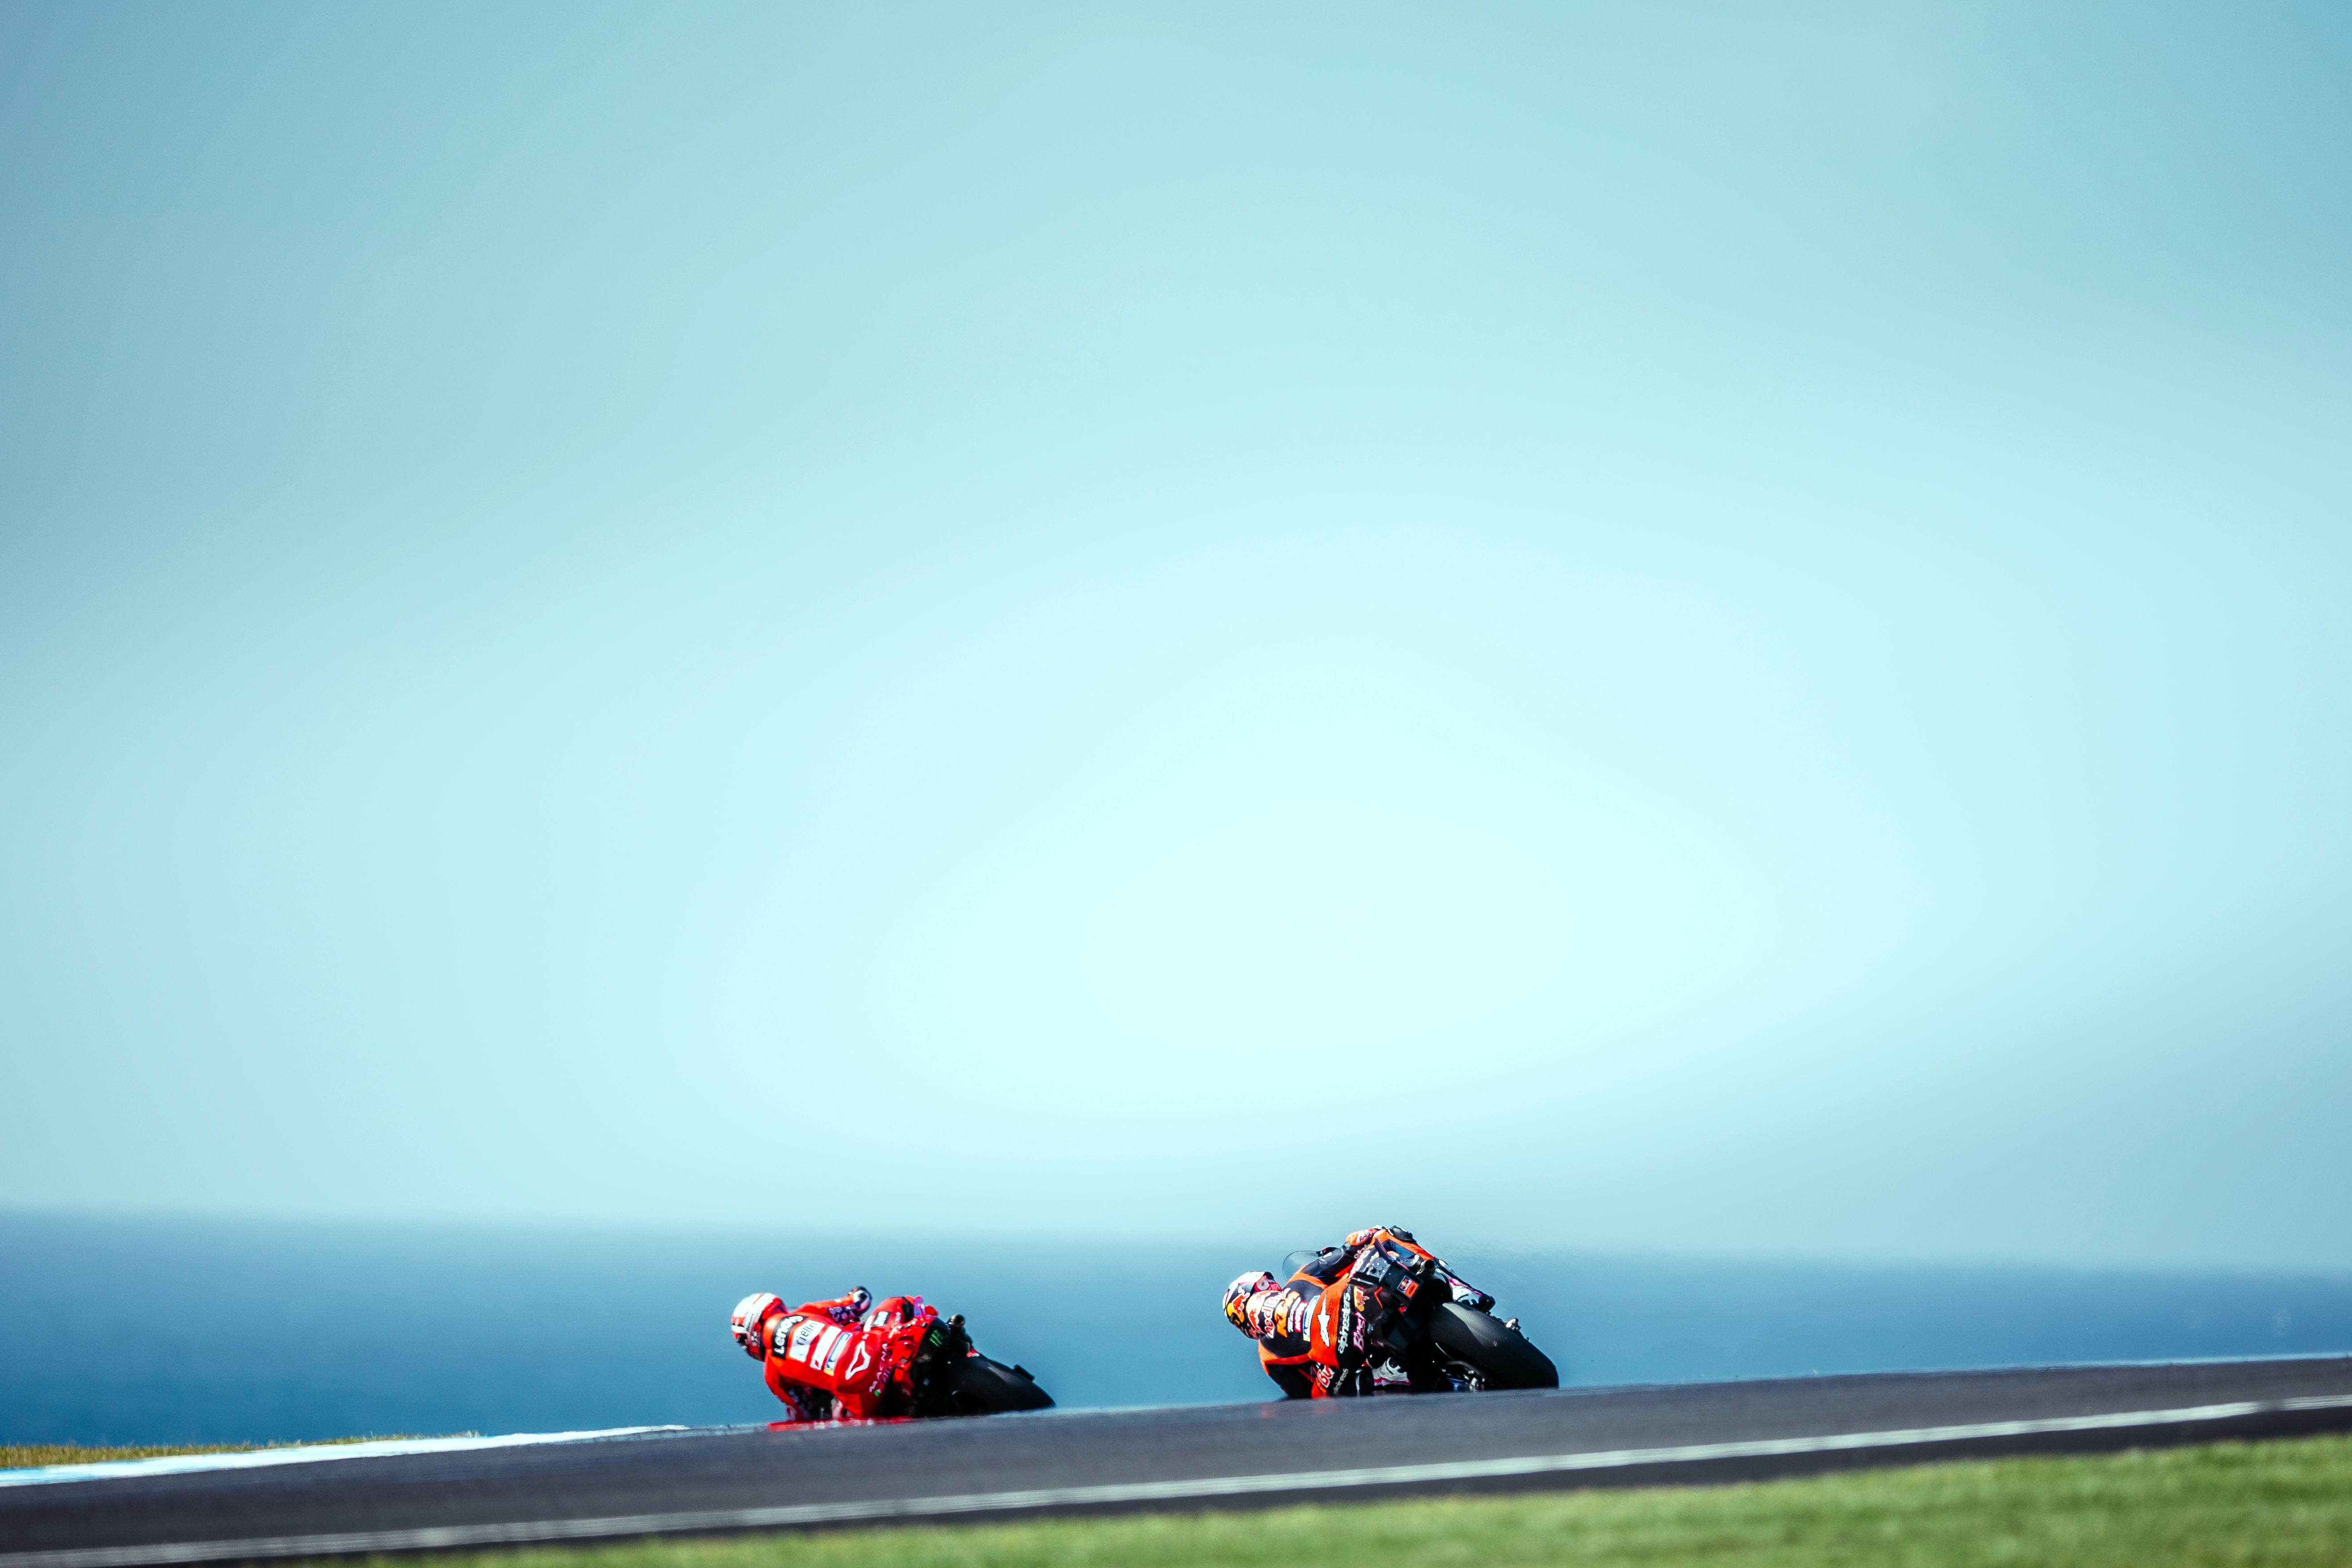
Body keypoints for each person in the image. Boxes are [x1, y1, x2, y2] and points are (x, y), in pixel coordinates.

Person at [1222, 1225, 1497, 1398]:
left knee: (1343, 1387)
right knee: (1391, 1236)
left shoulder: (1268, 1356)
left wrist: (1331, 1378)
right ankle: (1461, 1291)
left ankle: (1388, 1376)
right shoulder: (1301, 1278)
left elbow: (1305, 1397)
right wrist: (1365, 1237)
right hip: (1345, 1311)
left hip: (1341, 1352)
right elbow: (1348, 1250)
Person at [729, 1286, 964, 1422]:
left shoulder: (772, 1374)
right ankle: (956, 1338)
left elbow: (804, 1413)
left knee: (833, 1417)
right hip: (880, 1349)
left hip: (860, 1399)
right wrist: (858, 1292)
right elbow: (857, 1304)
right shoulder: (808, 1311)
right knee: (900, 1302)